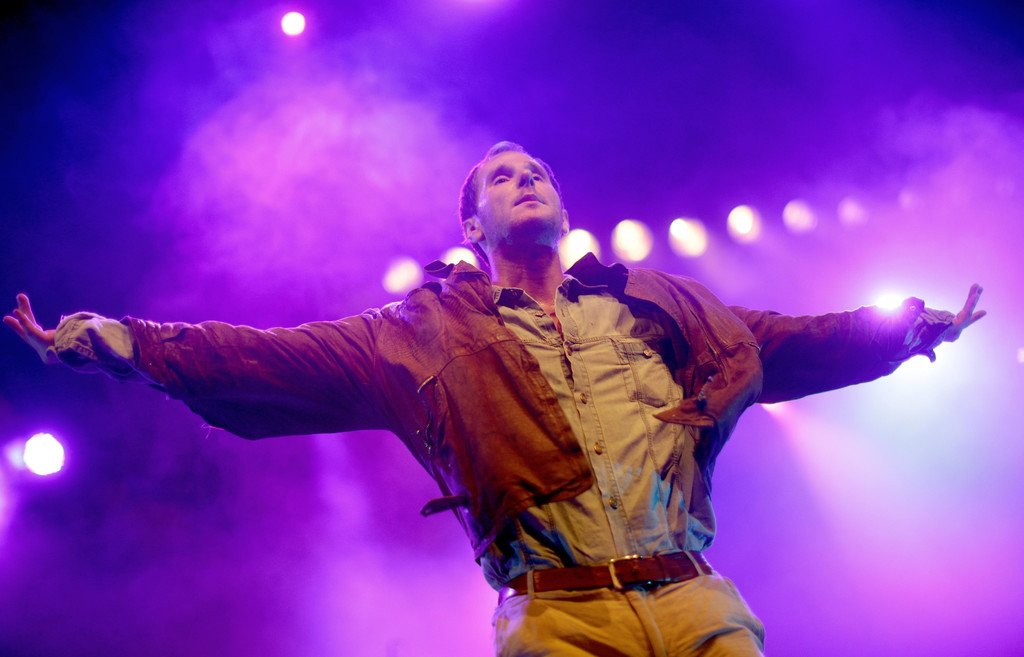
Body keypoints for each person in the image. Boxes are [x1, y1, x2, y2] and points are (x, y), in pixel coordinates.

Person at [5, 142, 985, 657]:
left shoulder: (656, 303)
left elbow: (781, 340)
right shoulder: (417, 331)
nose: (527, 181)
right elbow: (265, 358)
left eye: (539, 173)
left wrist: (901, 330)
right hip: (559, 621)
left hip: (696, 600)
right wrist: (113, 340)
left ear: (563, 206)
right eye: (504, 178)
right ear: (472, 223)